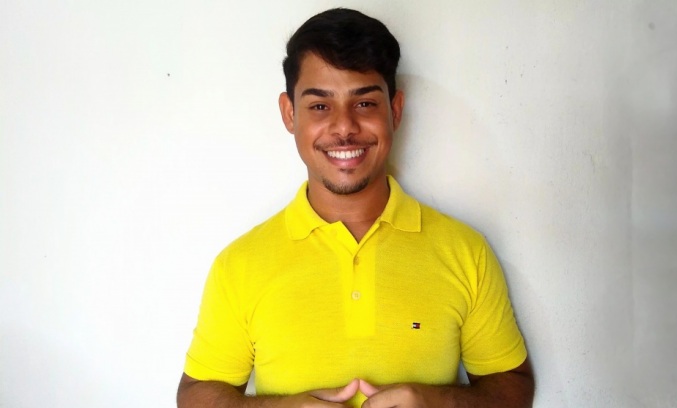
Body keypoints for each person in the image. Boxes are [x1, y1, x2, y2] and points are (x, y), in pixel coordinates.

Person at [177, 7, 534, 408]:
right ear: (290, 114)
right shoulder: (239, 265)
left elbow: (513, 386)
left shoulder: (466, 252)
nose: (344, 126)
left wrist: (436, 402)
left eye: (364, 103)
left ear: (395, 110)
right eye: (320, 106)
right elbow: (196, 395)